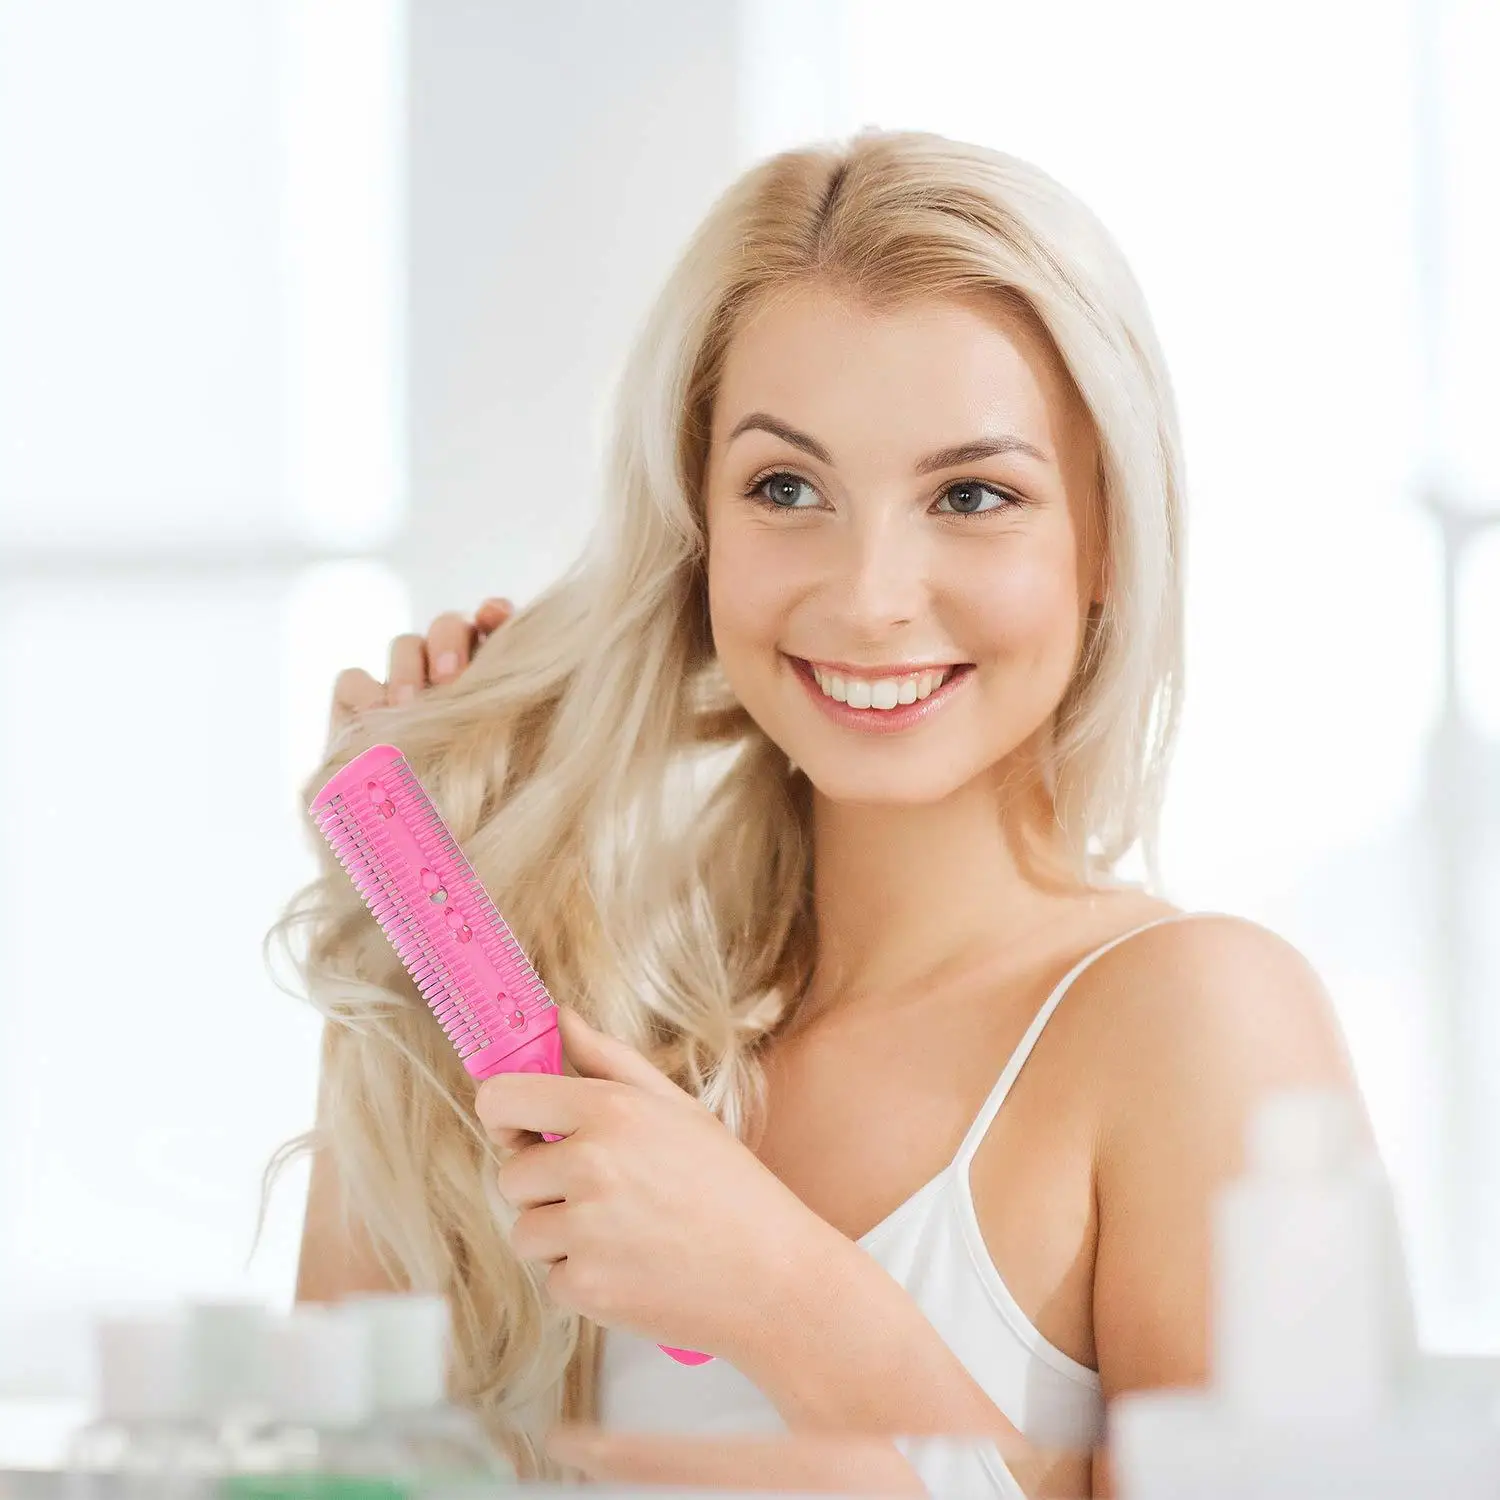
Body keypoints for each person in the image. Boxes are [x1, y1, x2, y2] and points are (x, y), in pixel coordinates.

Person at [270, 129, 1368, 1497]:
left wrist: (782, 1289)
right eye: (787, 489)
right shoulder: (602, 1027)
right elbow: (340, 1475)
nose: (869, 595)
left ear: (1104, 538)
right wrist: (410, 938)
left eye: (973, 495)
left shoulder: (1198, 1023)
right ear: (697, 530)